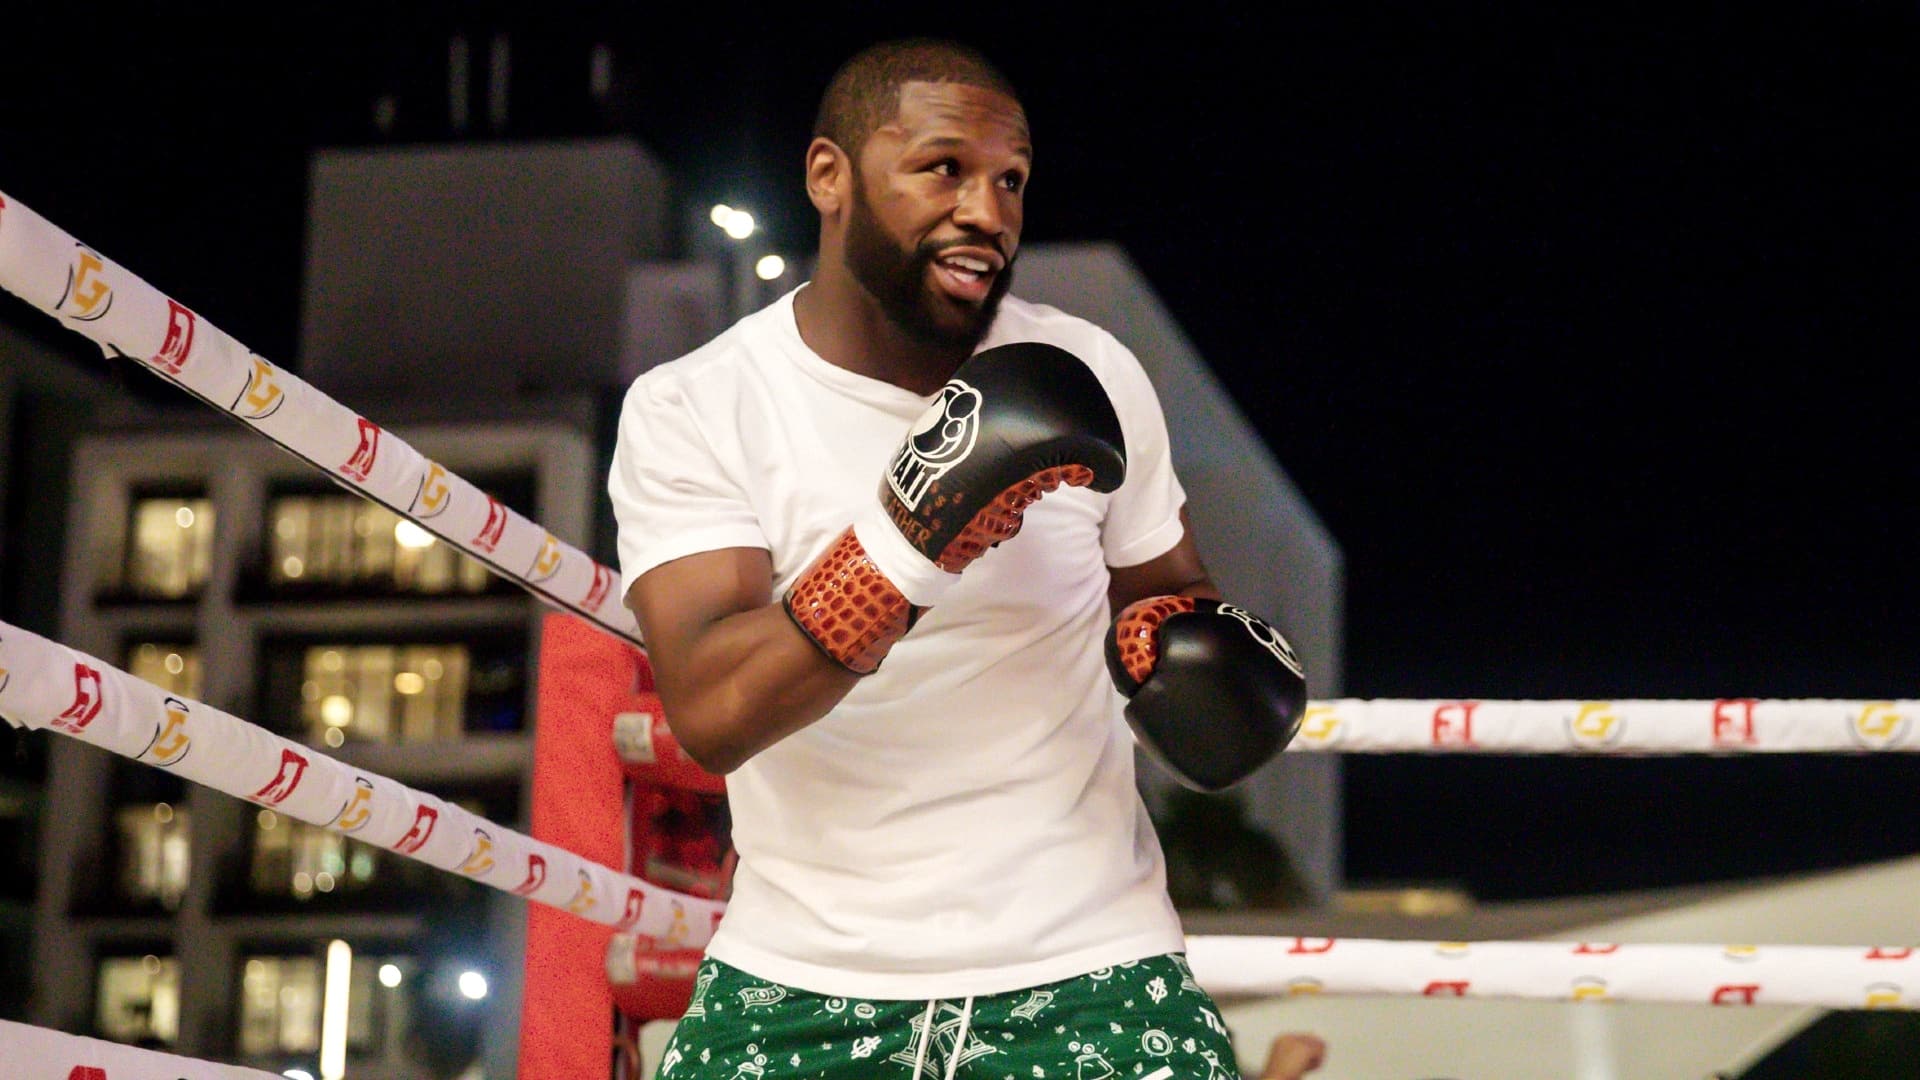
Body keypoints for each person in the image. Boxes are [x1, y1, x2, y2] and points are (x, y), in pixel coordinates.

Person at [609, 36, 1307, 1079]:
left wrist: (1193, 662)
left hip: (1092, 965)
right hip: (800, 976)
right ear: (828, 177)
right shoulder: (697, 406)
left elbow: (1167, 593)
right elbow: (711, 713)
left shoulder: (1089, 371)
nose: (989, 211)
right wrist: (911, 534)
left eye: (1012, 180)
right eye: (945, 169)